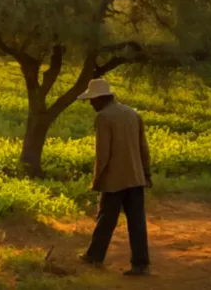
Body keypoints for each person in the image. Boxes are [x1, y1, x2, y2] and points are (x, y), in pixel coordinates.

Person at [76, 78, 152, 276]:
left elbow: (103, 154)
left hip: (114, 179)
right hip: (136, 177)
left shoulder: (104, 117)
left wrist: (97, 179)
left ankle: (94, 256)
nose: (91, 104)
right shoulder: (133, 113)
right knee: (137, 222)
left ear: (101, 98)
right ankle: (141, 264)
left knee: (106, 219)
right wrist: (146, 172)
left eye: (92, 100)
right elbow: (143, 147)